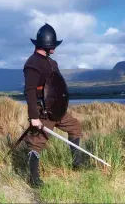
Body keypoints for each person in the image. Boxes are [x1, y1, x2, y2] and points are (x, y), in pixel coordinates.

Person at [23, 23, 83, 188]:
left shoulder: (52, 63)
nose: (54, 48)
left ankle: (77, 163)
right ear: (46, 45)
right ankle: (34, 180)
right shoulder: (32, 63)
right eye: (53, 45)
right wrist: (34, 117)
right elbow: (29, 91)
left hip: (57, 110)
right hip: (44, 112)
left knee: (75, 127)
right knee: (36, 143)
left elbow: (55, 86)